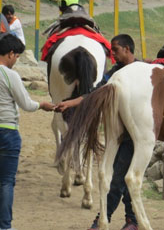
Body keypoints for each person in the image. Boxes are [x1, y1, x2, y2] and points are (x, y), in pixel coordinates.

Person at [55, 34, 138, 230]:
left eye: (115, 50)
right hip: (119, 134)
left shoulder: (141, 72)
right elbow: (94, 93)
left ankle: (103, 220)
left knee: (118, 178)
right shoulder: (114, 73)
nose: (112, 55)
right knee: (124, 178)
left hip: (134, 135)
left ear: (127, 49)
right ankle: (130, 220)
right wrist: (70, 103)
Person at [0, 33, 54, 230]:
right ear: (11, 54)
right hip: (7, 131)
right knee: (6, 182)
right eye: (17, 57)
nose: (16, 61)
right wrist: (42, 105)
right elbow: (26, 104)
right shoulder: (10, 74)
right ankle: (4, 225)